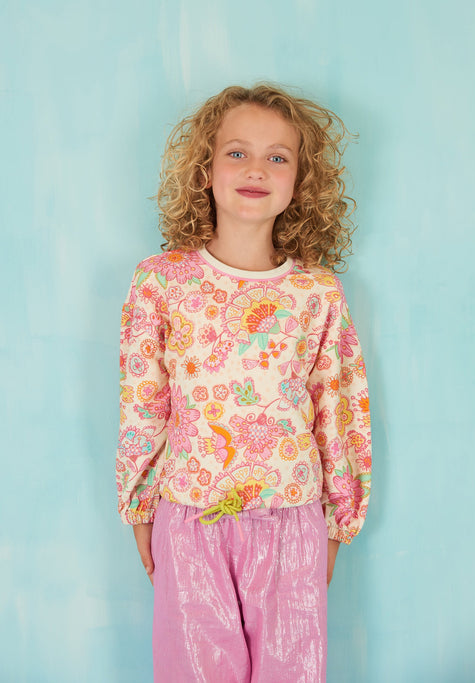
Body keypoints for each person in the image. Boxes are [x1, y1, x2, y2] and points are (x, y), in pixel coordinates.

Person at [116, 84, 371, 682]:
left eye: (277, 157)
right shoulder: (161, 282)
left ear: (299, 182)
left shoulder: (316, 293)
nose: (257, 169)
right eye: (237, 153)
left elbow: (339, 407)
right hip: (191, 518)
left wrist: (338, 523)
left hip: (292, 519)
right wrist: (140, 506)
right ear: (205, 170)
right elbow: (143, 403)